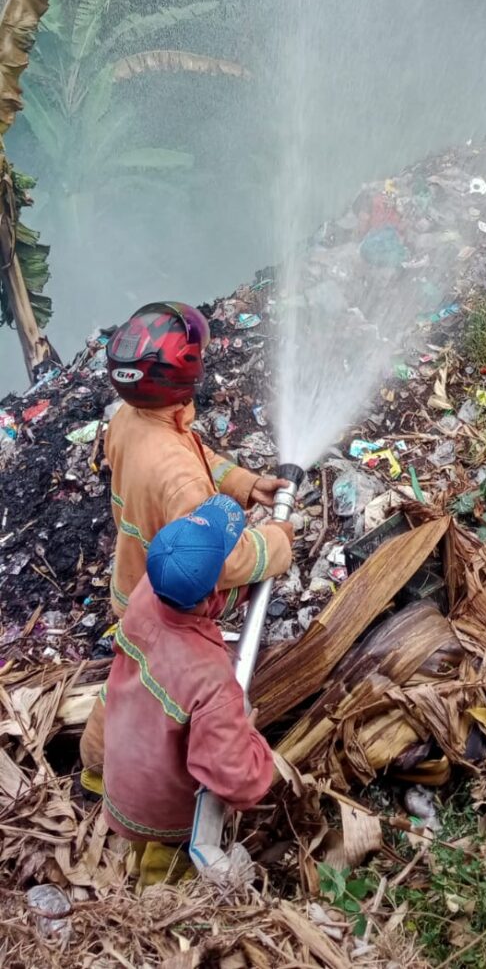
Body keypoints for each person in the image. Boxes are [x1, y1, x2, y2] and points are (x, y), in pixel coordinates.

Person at [80, 300, 291, 781]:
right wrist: (276, 544)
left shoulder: (130, 419)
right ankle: (108, 770)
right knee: (154, 691)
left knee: (128, 676)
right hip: (170, 604)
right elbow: (222, 561)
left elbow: (191, 456)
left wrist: (241, 481)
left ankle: (97, 767)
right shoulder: (176, 475)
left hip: (133, 583)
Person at [92, 496, 275, 885]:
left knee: (138, 848)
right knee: (166, 879)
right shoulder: (210, 680)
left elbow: (197, 600)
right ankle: (144, 912)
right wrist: (254, 743)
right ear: (213, 585)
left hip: (123, 780)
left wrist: (243, 589)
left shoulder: (145, 592)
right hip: (168, 813)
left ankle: (133, 872)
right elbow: (236, 777)